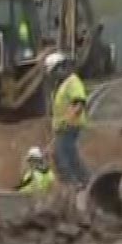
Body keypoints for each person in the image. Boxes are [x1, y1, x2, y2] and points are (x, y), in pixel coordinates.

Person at [43, 51, 89, 186]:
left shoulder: (72, 82)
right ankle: (84, 183)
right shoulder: (63, 84)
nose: (52, 75)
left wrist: (67, 121)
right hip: (64, 127)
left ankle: (74, 186)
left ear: (60, 67)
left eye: (53, 71)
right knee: (68, 156)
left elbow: (78, 104)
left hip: (70, 126)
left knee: (63, 157)